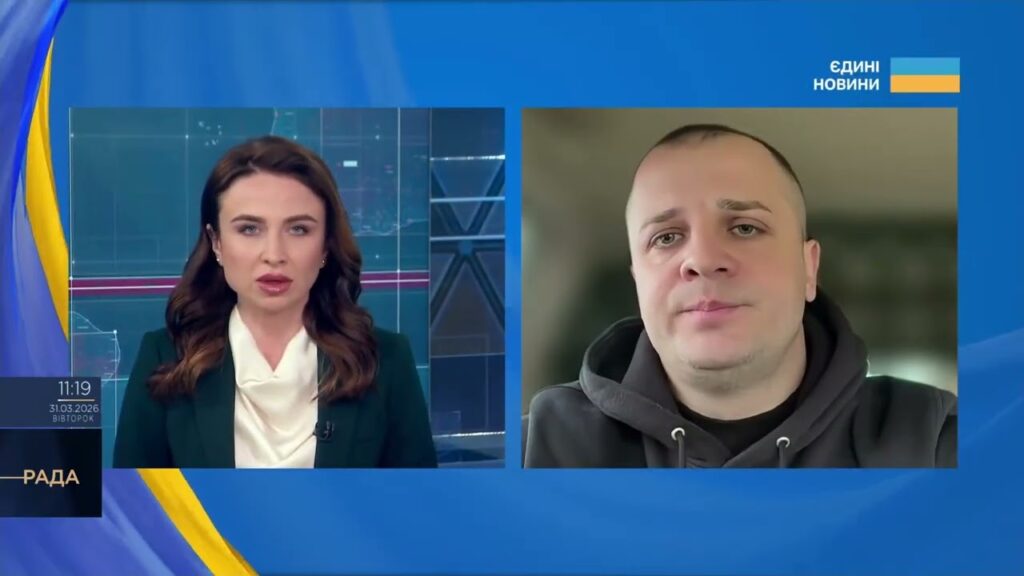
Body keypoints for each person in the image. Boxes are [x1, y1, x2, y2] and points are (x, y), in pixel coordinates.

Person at [524, 124, 957, 468]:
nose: (702, 260)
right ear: (638, 281)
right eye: (666, 237)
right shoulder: (535, 452)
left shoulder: (936, 442)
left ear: (809, 269)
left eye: (745, 228)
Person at [114, 136, 437, 468]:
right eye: (249, 229)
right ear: (216, 243)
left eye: (298, 229)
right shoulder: (165, 358)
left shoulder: (386, 360)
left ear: (326, 245)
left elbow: (416, 497)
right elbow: (132, 497)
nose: (274, 255)